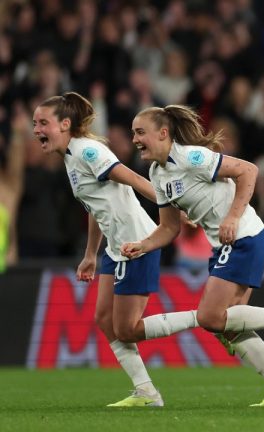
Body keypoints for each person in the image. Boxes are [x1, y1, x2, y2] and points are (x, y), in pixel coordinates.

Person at [119, 104, 264, 407]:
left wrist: (233, 217)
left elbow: (248, 170)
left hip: (244, 235)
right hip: (225, 243)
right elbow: (170, 228)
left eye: (140, 132)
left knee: (211, 317)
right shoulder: (157, 173)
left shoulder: (190, 157)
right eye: (133, 132)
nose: (134, 139)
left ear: (163, 133)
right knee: (228, 327)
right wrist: (142, 245)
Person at [33, 92, 173, 407]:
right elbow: (97, 207)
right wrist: (90, 254)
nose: (36, 129)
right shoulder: (71, 157)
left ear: (65, 124)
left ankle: (204, 319)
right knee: (104, 318)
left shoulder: (87, 151)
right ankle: (146, 391)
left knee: (127, 328)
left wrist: (174, 209)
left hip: (134, 242)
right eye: (34, 123)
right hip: (114, 246)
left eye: (43, 122)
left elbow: (135, 179)